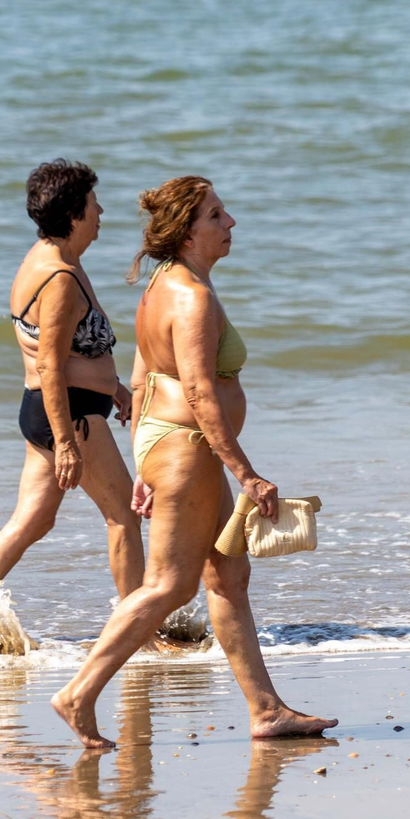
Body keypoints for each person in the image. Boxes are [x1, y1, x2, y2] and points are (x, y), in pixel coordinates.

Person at [49, 176, 338, 747]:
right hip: (190, 449)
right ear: (185, 233)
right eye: (215, 216)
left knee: (227, 576)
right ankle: (78, 693)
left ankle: (266, 710)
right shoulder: (193, 298)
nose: (230, 224)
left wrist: (146, 464)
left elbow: (140, 379)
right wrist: (246, 473)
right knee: (169, 586)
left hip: (173, 446)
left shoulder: (163, 285)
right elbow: (203, 395)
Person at [0, 160, 143, 651]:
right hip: (69, 415)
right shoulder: (57, 278)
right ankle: (138, 631)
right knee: (122, 516)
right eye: (95, 204)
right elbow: (51, 365)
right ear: (74, 213)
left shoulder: (51, 259)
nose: (102, 212)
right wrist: (68, 444)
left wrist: (113, 385)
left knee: (33, 519)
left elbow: (65, 353)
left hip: (51, 408)